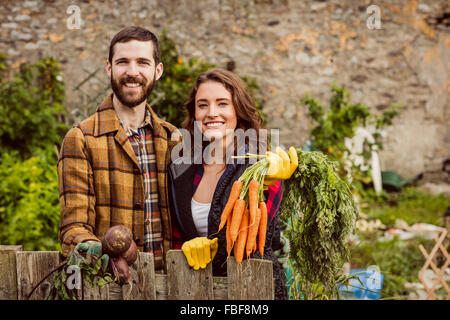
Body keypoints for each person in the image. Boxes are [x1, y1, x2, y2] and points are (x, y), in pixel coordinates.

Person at [57, 26, 181, 272]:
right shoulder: (81, 139)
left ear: (158, 71)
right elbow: (73, 229)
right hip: (110, 288)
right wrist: (106, 256)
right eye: (123, 62)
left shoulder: (173, 139)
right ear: (109, 68)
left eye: (142, 62)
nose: (132, 72)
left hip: (173, 285)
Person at [168, 68, 297, 300]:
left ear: (238, 110)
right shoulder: (182, 170)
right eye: (203, 105)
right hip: (196, 290)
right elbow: (177, 236)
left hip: (252, 289)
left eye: (222, 104)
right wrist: (183, 251)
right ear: (194, 112)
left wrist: (265, 187)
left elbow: (268, 238)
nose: (212, 113)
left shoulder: (262, 166)